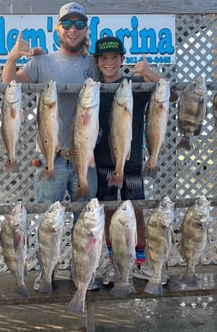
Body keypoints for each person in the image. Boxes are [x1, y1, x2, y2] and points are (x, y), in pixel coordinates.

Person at [2, 1, 99, 290]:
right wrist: (12, 58)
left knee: (87, 221)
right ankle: (46, 273)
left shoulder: (95, 63)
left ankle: (83, 274)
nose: (73, 29)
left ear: (86, 30)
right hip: (51, 158)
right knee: (47, 220)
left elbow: (118, 78)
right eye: (67, 23)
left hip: (87, 158)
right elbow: (10, 83)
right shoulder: (40, 63)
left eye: (79, 24)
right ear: (57, 28)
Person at [93, 36, 178, 284]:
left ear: (122, 60)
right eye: (104, 59)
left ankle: (140, 261)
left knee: (136, 209)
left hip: (131, 160)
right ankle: (112, 261)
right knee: (108, 211)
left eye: (114, 58)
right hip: (102, 160)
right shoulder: (93, 89)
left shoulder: (135, 85)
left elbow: (170, 97)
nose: (109, 63)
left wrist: (150, 72)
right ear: (97, 62)